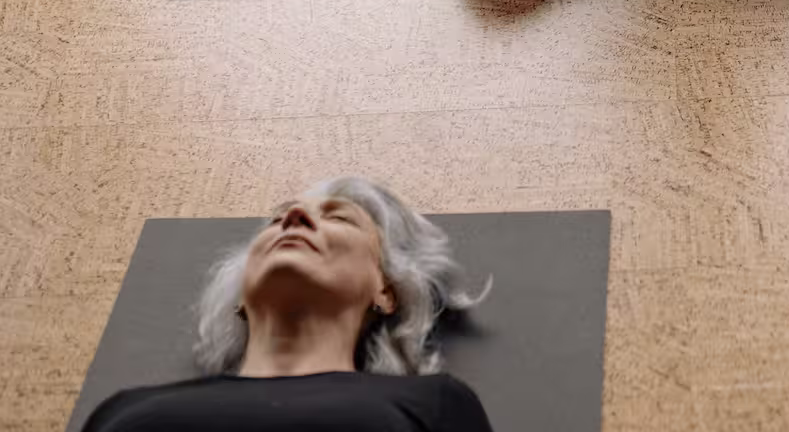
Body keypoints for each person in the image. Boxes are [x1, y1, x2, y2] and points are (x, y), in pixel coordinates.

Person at [80, 177, 493, 432]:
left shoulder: (433, 405)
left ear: (387, 291)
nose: (294, 216)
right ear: (242, 295)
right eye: (278, 219)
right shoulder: (123, 410)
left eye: (340, 218)